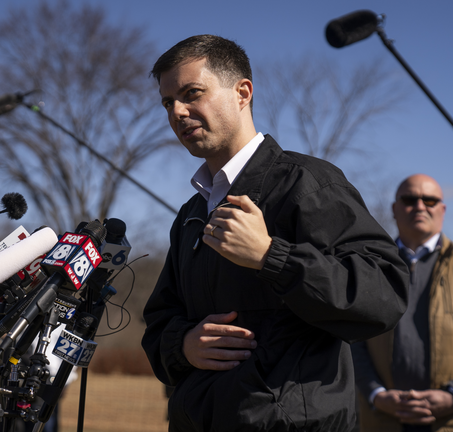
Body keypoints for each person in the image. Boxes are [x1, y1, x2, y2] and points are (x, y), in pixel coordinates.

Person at [140, 34, 409, 431]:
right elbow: (160, 321)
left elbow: (385, 293)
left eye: (191, 93)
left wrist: (271, 256)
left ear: (242, 92)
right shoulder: (192, 215)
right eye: (167, 102)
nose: (177, 112)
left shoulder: (308, 184)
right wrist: (183, 346)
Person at [351, 174, 453, 432]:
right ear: (394, 209)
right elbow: (353, 338)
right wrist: (376, 394)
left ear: (443, 209)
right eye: (409, 199)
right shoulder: (369, 265)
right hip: (384, 420)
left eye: (430, 200)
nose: (420, 206)